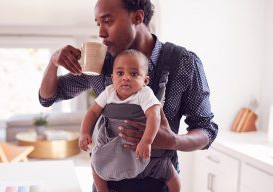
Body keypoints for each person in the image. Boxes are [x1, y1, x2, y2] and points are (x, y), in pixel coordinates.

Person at [39, 0, 218, 191]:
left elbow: (206, 129)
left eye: (108, 21)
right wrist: (53, 62)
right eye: (98, 24)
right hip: (107, 183)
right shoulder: (99, 62)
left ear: (137, 17)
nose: (101, 33)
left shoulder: (183, 62)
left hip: (158, 181)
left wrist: (173, 140)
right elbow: (48, 97)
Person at [79, 49, 180, 192]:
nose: (126, 78)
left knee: (168, 171)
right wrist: (84, 132)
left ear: (145, 81)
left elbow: (154, 115)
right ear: (113, 77)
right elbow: (93, 112)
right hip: (111, 143)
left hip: (138, 145)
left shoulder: (144, 94)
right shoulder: (109, 92)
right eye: (120, 73)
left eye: (134, 74)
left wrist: (147, 141)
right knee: (96, 163)